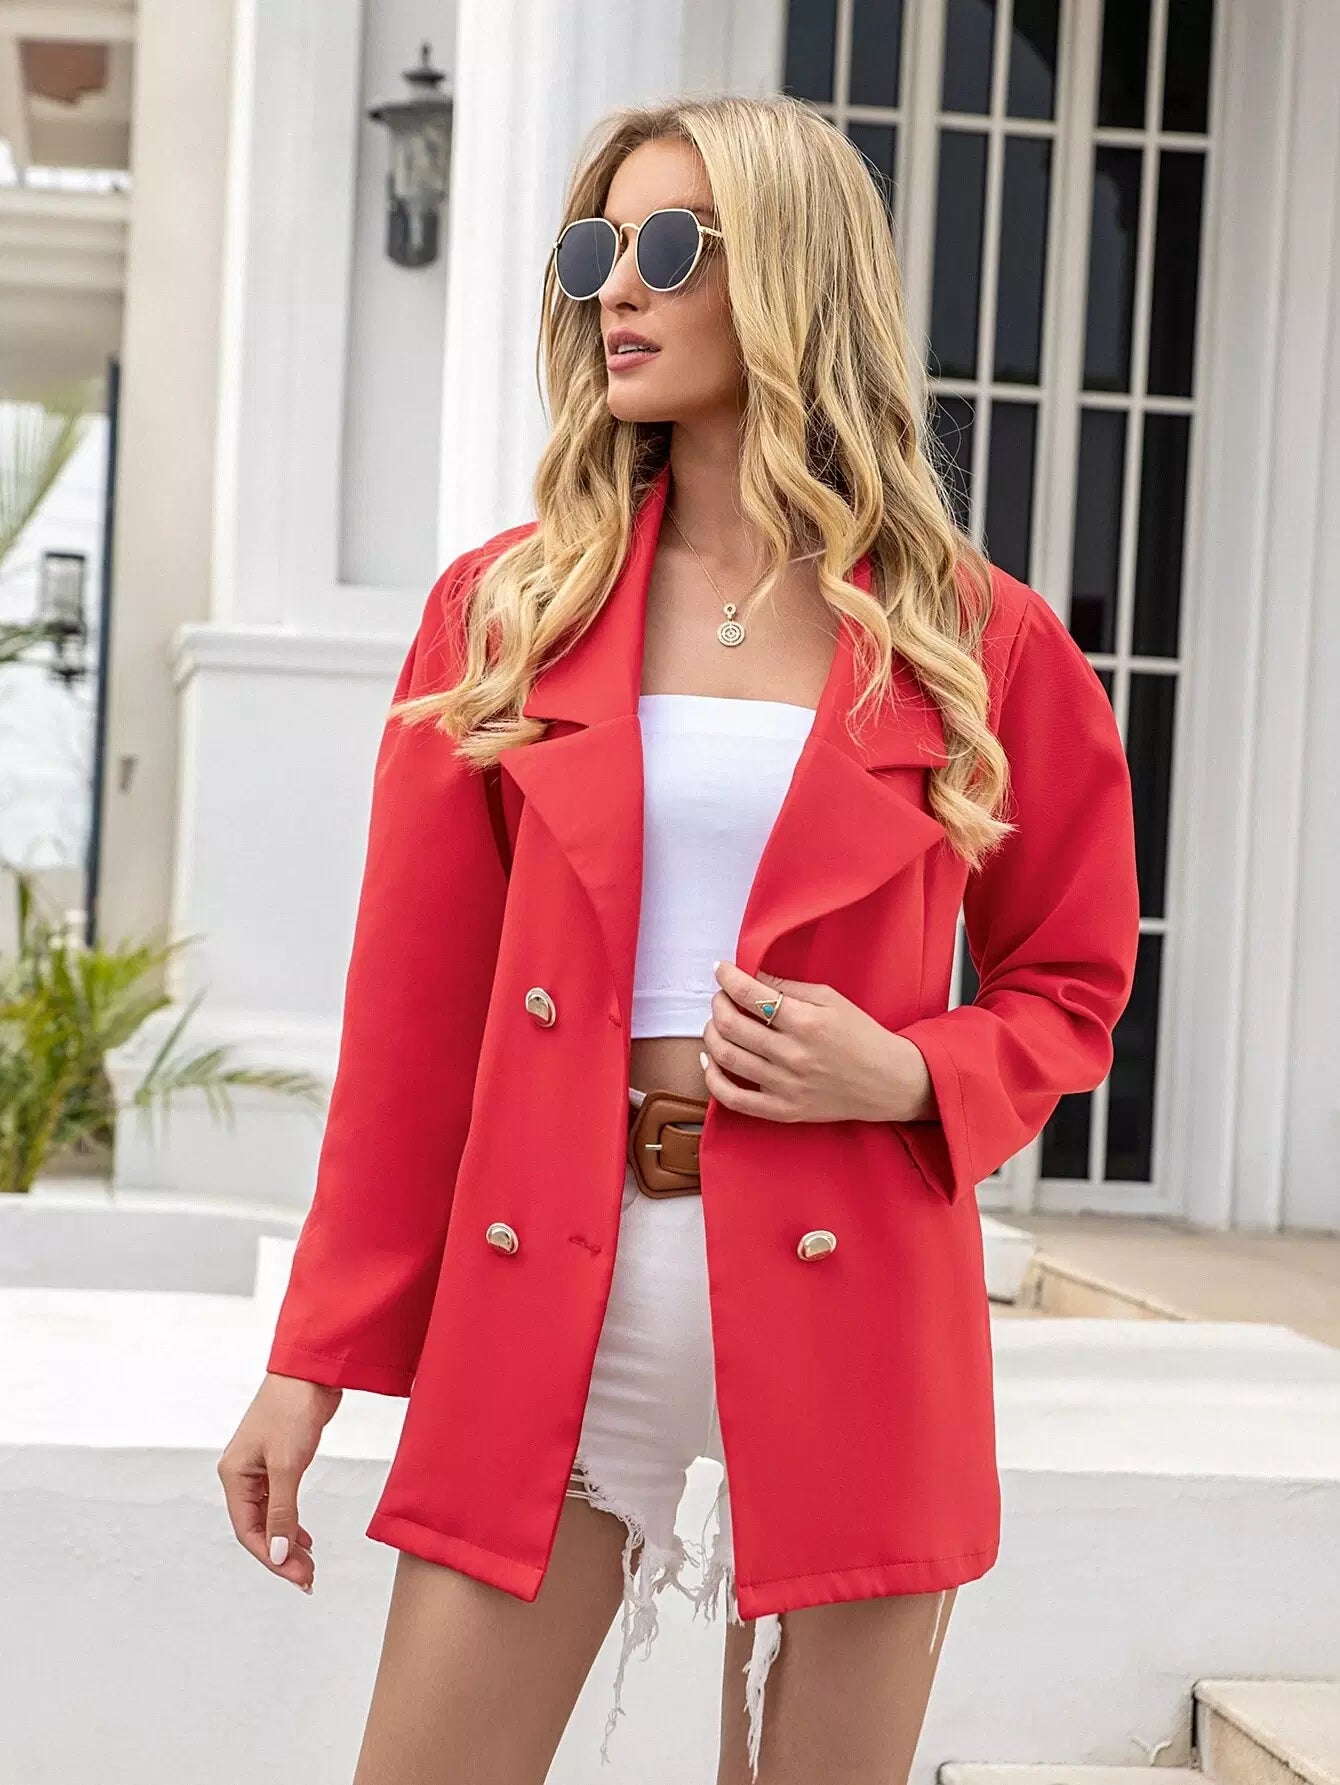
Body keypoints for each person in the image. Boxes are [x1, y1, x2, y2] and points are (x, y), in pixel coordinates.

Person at [217, 93, 1140, 1785]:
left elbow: (1071, 979)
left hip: (857, 1285)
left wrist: (910, 1070)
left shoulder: (979, 638)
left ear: (788, 272)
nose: (613, 291)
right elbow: (411, 1031)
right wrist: (313, 1363)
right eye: (593, 250)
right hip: (556, 1278)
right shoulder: (508, 610)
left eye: (663, 247)